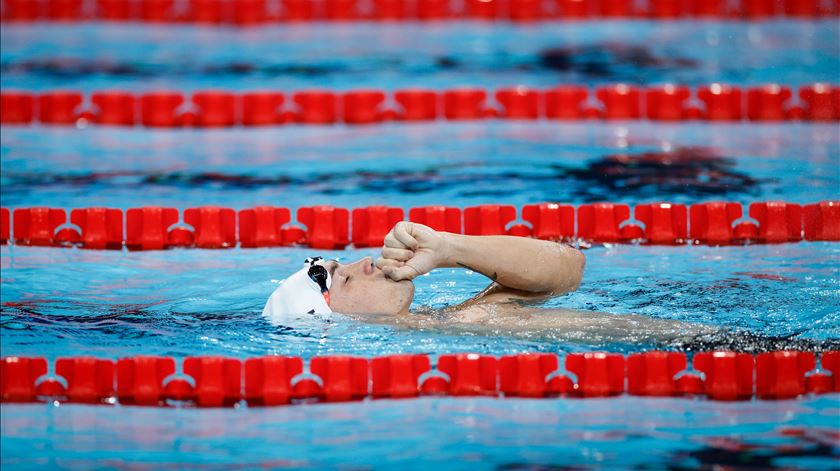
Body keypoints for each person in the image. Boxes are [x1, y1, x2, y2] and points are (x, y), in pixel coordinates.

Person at [264, 221, 717, 345]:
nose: (366, 261)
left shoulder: (449, 322)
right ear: (330, 320)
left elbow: (569, 271)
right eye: (341, 279)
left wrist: (450, 249)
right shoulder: (452, 332)